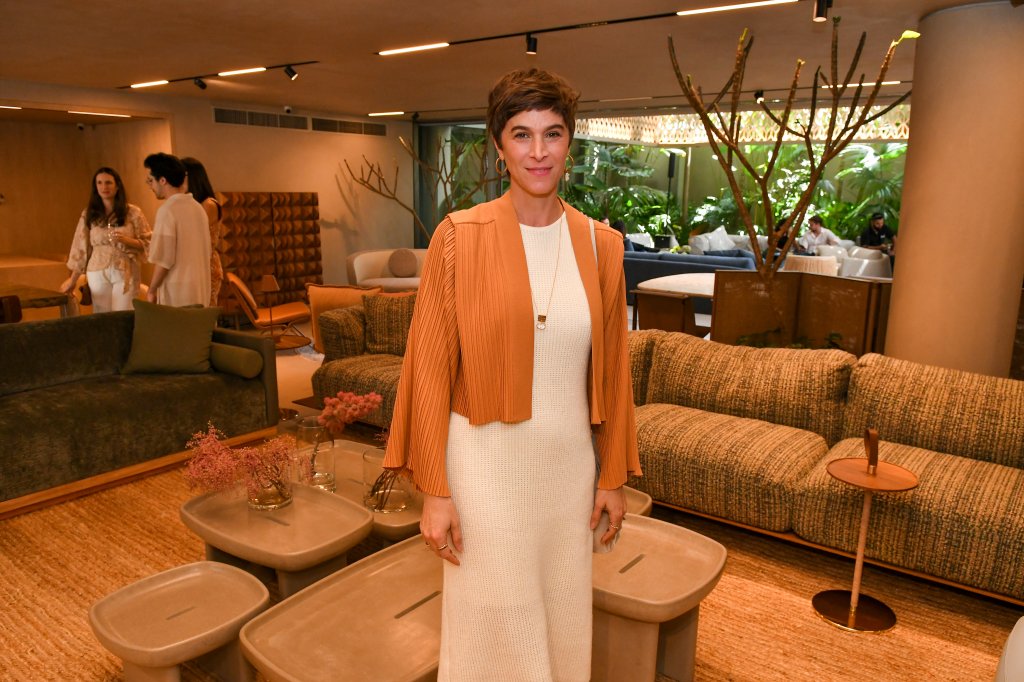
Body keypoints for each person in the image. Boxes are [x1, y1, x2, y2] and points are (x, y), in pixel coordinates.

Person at [383, 67, 641, 681]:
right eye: (521, 134)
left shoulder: (602, 245)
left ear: (570, 142)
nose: (538, 151)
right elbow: (429, 370)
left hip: (568, 473)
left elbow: (613, 371)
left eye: (553, 133)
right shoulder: (458, 238)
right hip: (484, 471)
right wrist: (436, 492)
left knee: (561, 618)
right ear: (498, 146)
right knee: (491, 623)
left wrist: (611, 476)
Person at [60, 167, 151, 312]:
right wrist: (73, 280)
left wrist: (127, 241)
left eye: (108, 182)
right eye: (99, 183)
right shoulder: (89, 214)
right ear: (95, 187)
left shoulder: (133, 212)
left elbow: (149, 243)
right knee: (102, 316)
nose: (104, 187)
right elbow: (81, 247)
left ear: (117, 186)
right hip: (96, 271)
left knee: (123, 314)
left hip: (125, 270)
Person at [143, 153, 212, 307]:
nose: (150, 186)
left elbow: (164, 260)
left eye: (151, 180)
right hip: (200, 287)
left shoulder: (167, 210)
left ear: (162, 180)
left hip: (177, 291)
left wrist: (152, 290)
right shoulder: (197, 208)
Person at [181, 157, 224, 306]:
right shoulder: (193, 205)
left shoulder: (208, 204)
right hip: (196, 265)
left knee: (205, 309)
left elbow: (192, 236)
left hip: (206, 266)